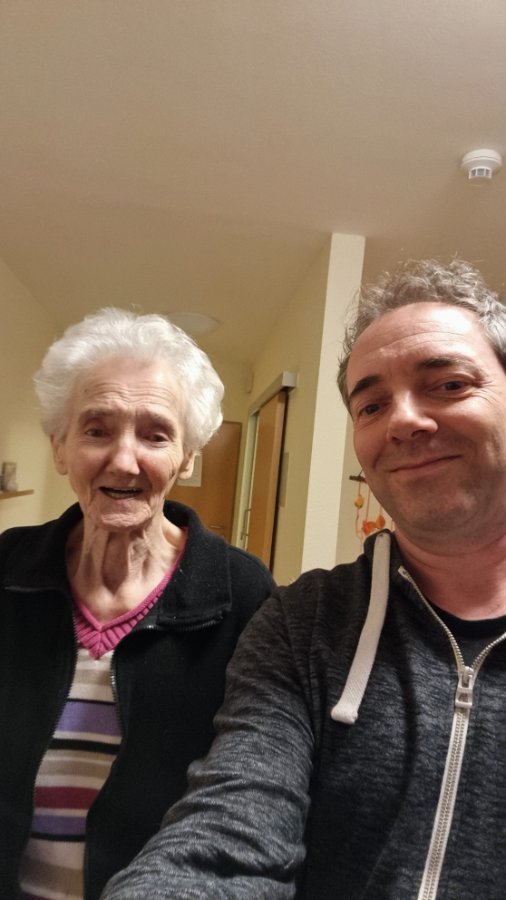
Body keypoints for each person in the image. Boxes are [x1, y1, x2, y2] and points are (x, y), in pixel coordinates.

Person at [102, 259, 506, 900]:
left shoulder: (239, 583)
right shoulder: (305, 620)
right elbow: (229, 830)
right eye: (371, 404)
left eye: (449, 384)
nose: (402, 420)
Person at [0, 307, 275, 900]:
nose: (125, 461)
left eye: (155, 434)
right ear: (60, 447)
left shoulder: (242, 592)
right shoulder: (8, 568)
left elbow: (247, 789)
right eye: (97, 430)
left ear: (188, 457)